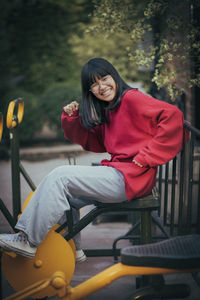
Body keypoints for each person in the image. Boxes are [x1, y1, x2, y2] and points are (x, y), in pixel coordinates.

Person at [0, 58, 186, 261]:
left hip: (130, 178)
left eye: (105, 79)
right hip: (124, 175)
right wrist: (72, 120)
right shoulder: (111, 108)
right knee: (65, 196)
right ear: (89, 90)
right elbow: (96, 141)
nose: (101, 87)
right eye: (94, 84)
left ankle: (27, 240)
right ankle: (72, 248)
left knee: (60, 176)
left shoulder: (131, 98)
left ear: (114, 76)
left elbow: (174, 116)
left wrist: (148, 156)